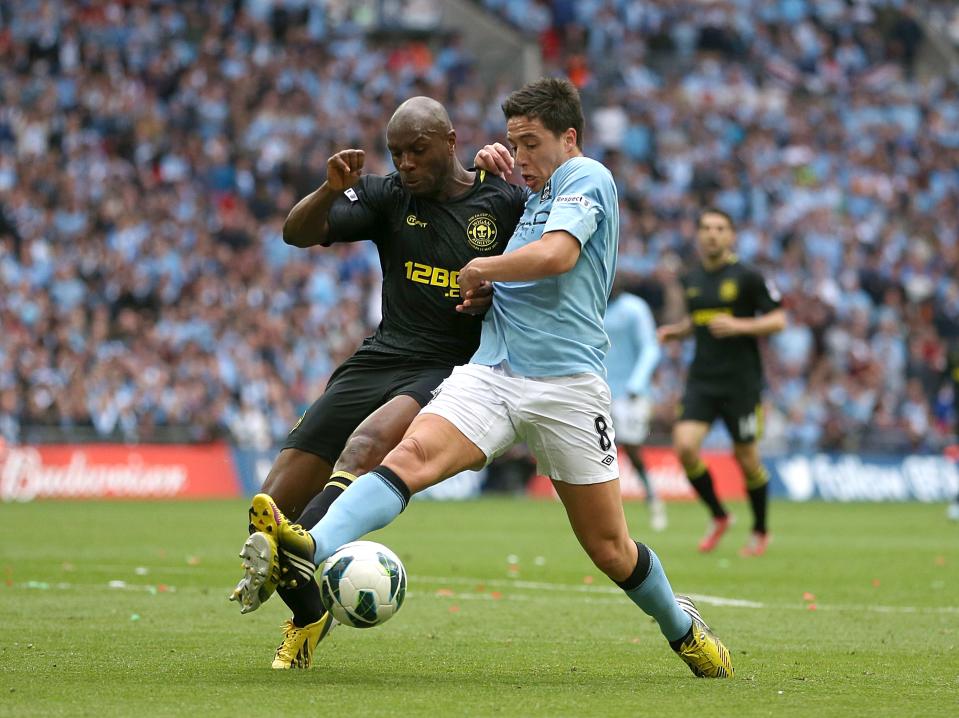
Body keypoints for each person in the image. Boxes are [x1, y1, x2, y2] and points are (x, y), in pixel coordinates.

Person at [240, 78, 734, 678]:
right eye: (512, 143)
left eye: (530, 143)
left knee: (610, 549)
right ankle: (313, 546)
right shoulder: (522, 200)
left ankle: (680, 628)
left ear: (568, 138)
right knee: (410, 456)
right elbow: (518, 267)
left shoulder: (587, 178)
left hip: (567, 388)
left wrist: (482, 269)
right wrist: (488, 287)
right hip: (492, 374)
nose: (520, 155)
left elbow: (557, 257)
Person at [230, 96, 528, 669]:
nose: (406, 164)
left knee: (364, 449)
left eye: (417, 151)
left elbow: (547, 270)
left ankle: (299, 557)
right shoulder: (389, 195)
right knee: (271, 503)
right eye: (397, 153)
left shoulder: (503, 200)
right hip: (379, 357)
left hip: (448, 368)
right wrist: (328, 189)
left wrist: (499, 289)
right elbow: (297, 233)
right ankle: (310, 610)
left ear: (450, 140)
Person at [657, 209, 786, 556]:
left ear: (731, 236)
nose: (713, 235)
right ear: (698, 235)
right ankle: (719, 515)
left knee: (745, 457)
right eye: (707, 228)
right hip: (702, 379)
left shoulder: (748, 276)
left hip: (741, 382)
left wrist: (740, 326)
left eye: (720, 229)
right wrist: (676, 332)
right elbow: (699, 321)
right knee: (684, 447)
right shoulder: (691, 277)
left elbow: (778, 320)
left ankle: (760, 529)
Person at [604, 275, 666, 530]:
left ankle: (653, 498)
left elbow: (650, 348)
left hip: (630, 391)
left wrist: (636, 384)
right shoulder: (594, 304)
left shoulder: (635, 308)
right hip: (599, 389)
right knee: (600, 448)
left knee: (631, 448)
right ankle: (604, 509)